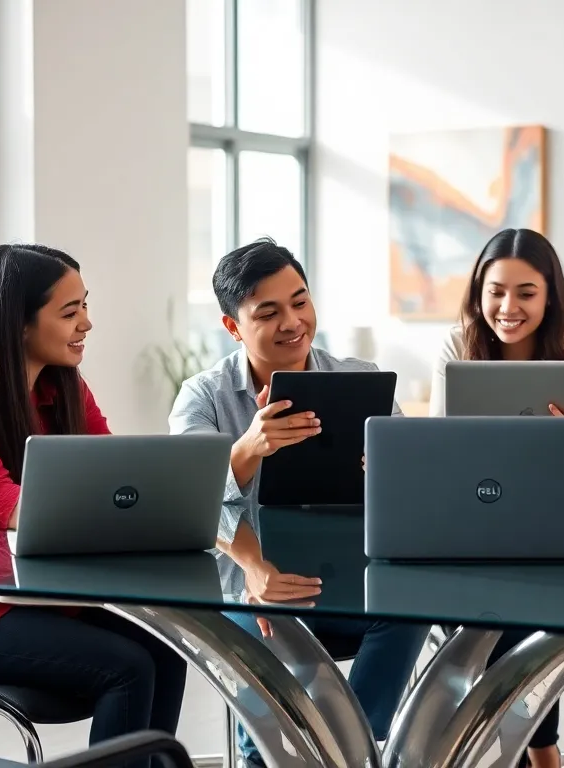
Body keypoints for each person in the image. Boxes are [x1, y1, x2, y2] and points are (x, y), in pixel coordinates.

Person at [0, 244, 187, 768]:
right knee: (126, 667)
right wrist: (113, 507)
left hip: (22, 595)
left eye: (85, 305)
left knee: (167, 649)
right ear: (17, 323)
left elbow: (117, 479)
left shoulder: (64, 387)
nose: (87, 322)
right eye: (70, 312)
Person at [168, 237, 428, 767]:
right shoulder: (203, 397)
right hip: (252, 583)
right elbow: (189, 501)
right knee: (267, 707)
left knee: (410, 610)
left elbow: (415, 487)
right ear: (233, 327)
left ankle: (354, 745)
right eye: (269, 312)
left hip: (352, 575)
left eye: (300, 301)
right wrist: (248, 450)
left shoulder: (360, 380)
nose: (292, 321)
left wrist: (387, 472)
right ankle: (275, 755)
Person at [428, 228, 564, 768]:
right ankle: (540, 750)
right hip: (476, 525)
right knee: (478, 615)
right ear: (478, 291)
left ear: (550, 294)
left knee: (534, 616)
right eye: (495, 291)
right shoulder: (458, 345)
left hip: (558, 532)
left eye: (525, 293)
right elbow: (436, 458)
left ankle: (536, 749)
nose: (507, 307)